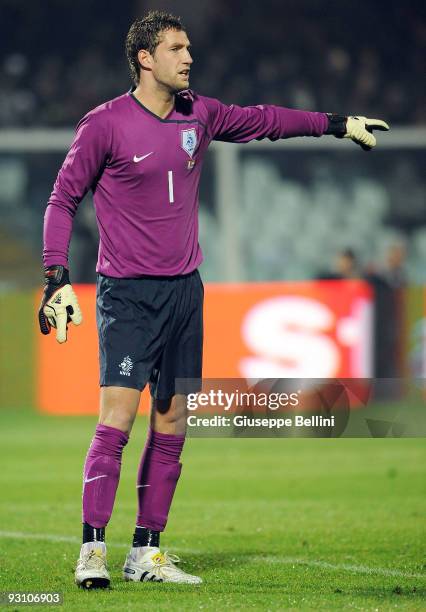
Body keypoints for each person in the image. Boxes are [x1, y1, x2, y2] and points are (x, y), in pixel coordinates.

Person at [38, 10, 389, 588]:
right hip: (127, 296)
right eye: (176, 48)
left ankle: (146, 552)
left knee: (173, 422)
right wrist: (57, 276)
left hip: (185, 294)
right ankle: (93, 550)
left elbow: (266, 120)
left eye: (189, 47)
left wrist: (335, 121)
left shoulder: (198, 113)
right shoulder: (104, 125)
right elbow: (61, 198)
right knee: (117, 421)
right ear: (145, 58)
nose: (189, 57)